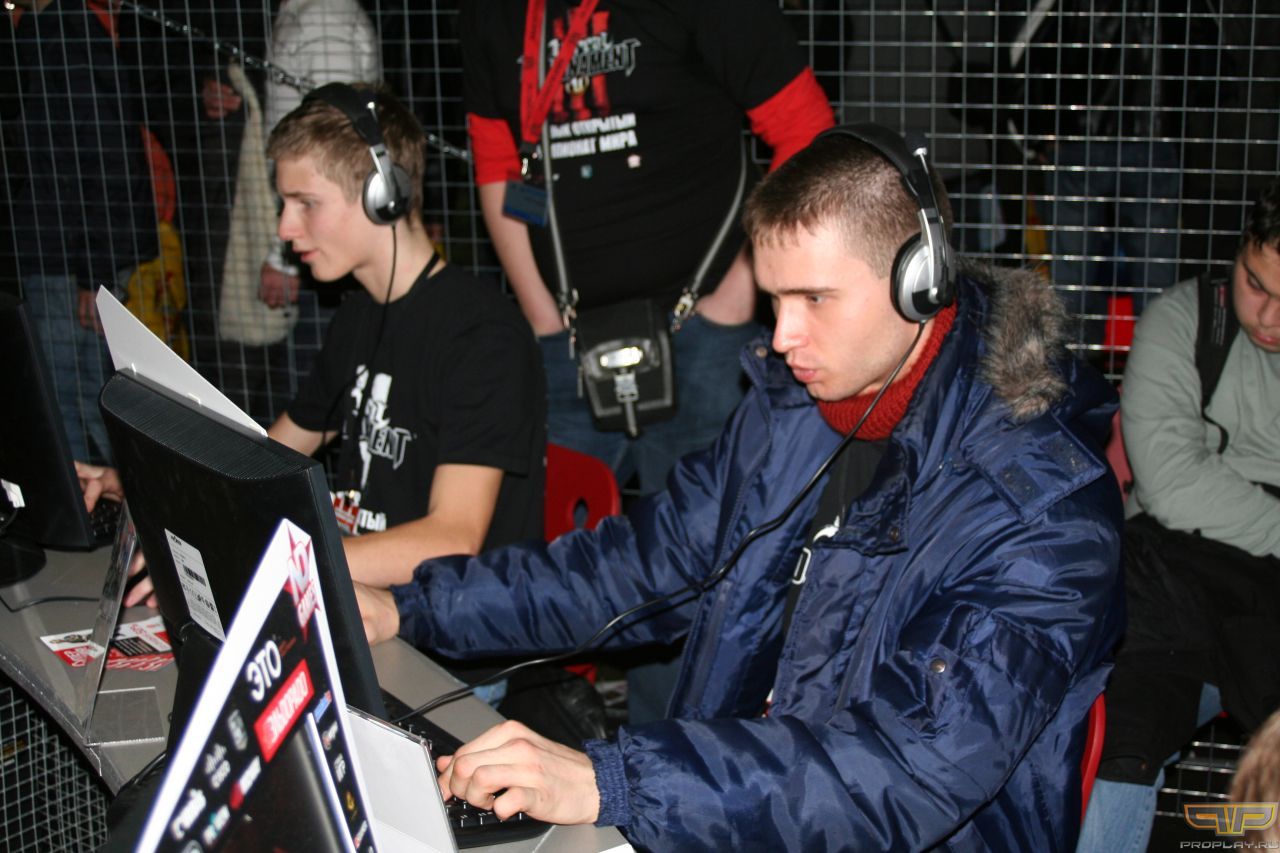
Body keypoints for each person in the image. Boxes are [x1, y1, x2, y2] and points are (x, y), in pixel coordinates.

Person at [355, 126, 1125, 849]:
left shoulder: (1041, 510)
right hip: (726, 812)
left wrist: (618, 782)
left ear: (918, 283)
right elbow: (634, 566)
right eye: (774, 298)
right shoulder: (794, 411)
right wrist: (413, 607)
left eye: (814, 299)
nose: (782, 336)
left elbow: (905, 768)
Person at [461, 0, 834, 724]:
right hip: (565, 340)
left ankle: (671, 758)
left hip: (705, 336)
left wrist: (741, 286)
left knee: (701, 574)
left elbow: (806, 133)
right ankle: (543, 741)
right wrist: (542, 317)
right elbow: (501, 166)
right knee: (541, 564)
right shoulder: (491, 15)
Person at [82, 85, 546, 610]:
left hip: (450, 628)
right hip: (363, 600)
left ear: (383, 196)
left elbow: (450, 542)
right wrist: (151, 484)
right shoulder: (359, 315)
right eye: (285, 203)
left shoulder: (484, 338)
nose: (285, 228)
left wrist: (254, 558)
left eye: (306, 203)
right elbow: (260, 458)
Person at [1077, 177, 1280, 851]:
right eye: (1255, 283)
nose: (1267, 316)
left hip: (1263, 589)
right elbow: (1171, 484)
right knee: (1123, 732)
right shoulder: (1186, 320)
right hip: (1172, 572)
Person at [8, 0, 159, 463]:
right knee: (88, 395)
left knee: (72, 398)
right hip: (59, 247)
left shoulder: (66, 34)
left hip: (67, 254)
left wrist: (93, 273)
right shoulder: (45, 28)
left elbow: (104, 156)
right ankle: (115, 497)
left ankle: (90, 501)